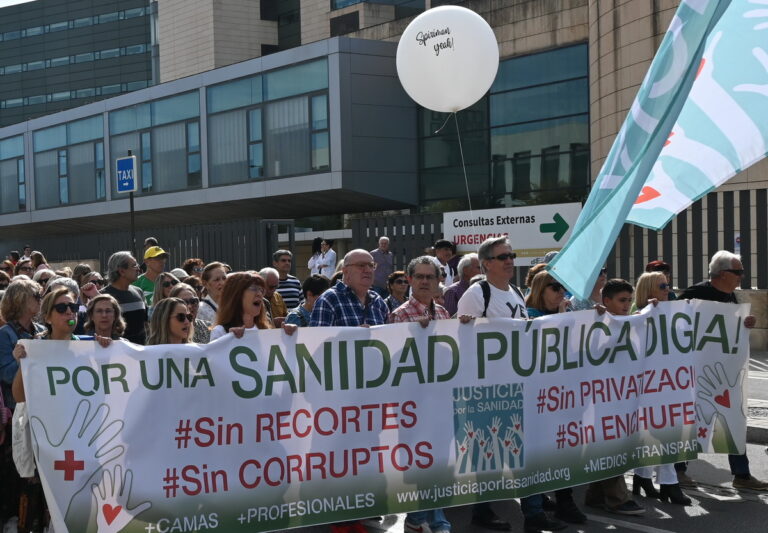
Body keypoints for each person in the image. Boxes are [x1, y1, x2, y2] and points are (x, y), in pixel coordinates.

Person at [457, 237, 546, 532]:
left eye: (512, 255)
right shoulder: (477, 293)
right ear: (486, 264)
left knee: (527, 453)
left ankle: (534, 515)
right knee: (488, 457)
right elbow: (464, 339)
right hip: (488, 389)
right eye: (503, 256)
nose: (510, 260)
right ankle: (483, 512)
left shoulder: (516, 291)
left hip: (519, 385)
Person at [680, 250, 767, 491]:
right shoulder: (696, 294)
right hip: (697, 373)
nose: (742, 276)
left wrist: (745, 323)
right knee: (693, 419)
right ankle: (678, 470)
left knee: (734, 420)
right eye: (737, 272)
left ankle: (742, 474)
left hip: (726, 374)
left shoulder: (731, 298)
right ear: (721, 273)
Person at [388, 256, 459, 533]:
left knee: (439, 463)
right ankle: (434, 519)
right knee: (423, 462)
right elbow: (396, 362)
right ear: (410, 280)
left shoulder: (442, 314)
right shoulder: (400, 315)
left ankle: (418, 519)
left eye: (431, 277)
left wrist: (462, 326)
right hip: (415, 402)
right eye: (420, 277)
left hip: (440, 400)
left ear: (439, 280)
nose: (425, 282)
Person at [524, 272, 588, 524]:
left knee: (563, 451)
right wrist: (561, 320)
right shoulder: (527, 316)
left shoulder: (565, 314)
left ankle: (564, 500)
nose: (561, 292)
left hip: (564, 396)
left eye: (564, 287)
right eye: (555, 287)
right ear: (540, 289)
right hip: (538, 399)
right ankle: (538, 505)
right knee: (539, 453)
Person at [583, 279, 646, 515]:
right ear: (605, 300)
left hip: (621, 393)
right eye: (622, 300)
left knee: (611, 439)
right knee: (610, 439)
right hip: (600, 395)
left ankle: (596, 494)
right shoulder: (593, 322)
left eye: (630, 300)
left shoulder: (630, 322)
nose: (627, 305)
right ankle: (618, 498)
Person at [631, 272, 692, 505]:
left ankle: (642, 476)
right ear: (648, 290)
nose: (668, 289)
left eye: (668, 285)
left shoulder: (674, 311)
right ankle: (668, 483)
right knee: (662, 431)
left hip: (671, 382)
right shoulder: (639, 314)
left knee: (662, 430)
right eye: (662, 286)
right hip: (650, 384)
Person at [310, 249, 388, 327]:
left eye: (371, 265)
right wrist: (351, 336)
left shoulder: (378, 301)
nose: (368, 270)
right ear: (345, 271)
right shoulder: (329, 299)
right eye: (361, 265)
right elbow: (318, 338)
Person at [101, 251, 148, 345]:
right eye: (134, 265)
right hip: (118, 354)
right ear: (122, 271)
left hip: (142, 353)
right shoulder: (103, 296)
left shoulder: (139, 292)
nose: (138, 269)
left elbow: (146, 323)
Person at [210, 272, 273, 341]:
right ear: (236, 294)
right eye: (254, 288)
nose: (259, 294)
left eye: (261, 290)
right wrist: (228, 339)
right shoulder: (220, 332)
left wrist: (285, 336)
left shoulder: (266, 330)